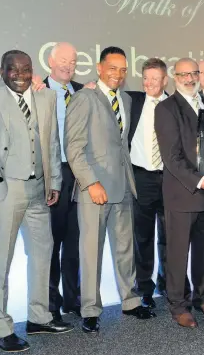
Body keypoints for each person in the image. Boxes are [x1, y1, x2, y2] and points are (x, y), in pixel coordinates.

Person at [0, 49, 73, 352]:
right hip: (7, 189)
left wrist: (55, 182)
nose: (20, 76)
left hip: (40, 188)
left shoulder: (46, 96)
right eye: (13, 70)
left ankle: (38, 317)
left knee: (43, 252)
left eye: (26, 70)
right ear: (1, 70)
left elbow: (52, 141)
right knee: (0, 260)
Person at [65, 46, 156, 334]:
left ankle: (130, 301)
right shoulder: (84, 98)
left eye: (123, 69)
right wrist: (91, 183)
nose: (118, 74)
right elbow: (73, 147)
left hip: (123, 186)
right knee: (91, 251)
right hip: (95, 190)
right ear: (99, 68)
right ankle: (90, 310)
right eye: (113, 68)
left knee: (125, 249)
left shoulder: (126, 99)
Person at [154, 58, 204, 328]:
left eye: (194, 73)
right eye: (183, 74)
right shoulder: (166, 108)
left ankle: (203, 297)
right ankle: (178, 305)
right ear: (174, 76)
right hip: (184, 193)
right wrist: (199, 180)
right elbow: (172, 157)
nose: (190, 78)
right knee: (178, 254)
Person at [126, 58, 189, 307]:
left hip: (170, 179)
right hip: (141, 177)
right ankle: (144, 288)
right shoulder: (132, 101)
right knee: (141, 237)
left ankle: (170, 283)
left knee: (171, 235)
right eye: (146, 78)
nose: (150, 83)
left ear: (165, 80)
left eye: (155, 78)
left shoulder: (176, 106)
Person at [43, 42, 84, 320]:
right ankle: (50, 304)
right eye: (63, 60)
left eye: (72, 61)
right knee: (51, 242)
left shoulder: (81, 92)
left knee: (74, 241)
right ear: (50, 61)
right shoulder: (37, 90)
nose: (68, 65)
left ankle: (72, 298)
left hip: (79, 173)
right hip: (52, 174)